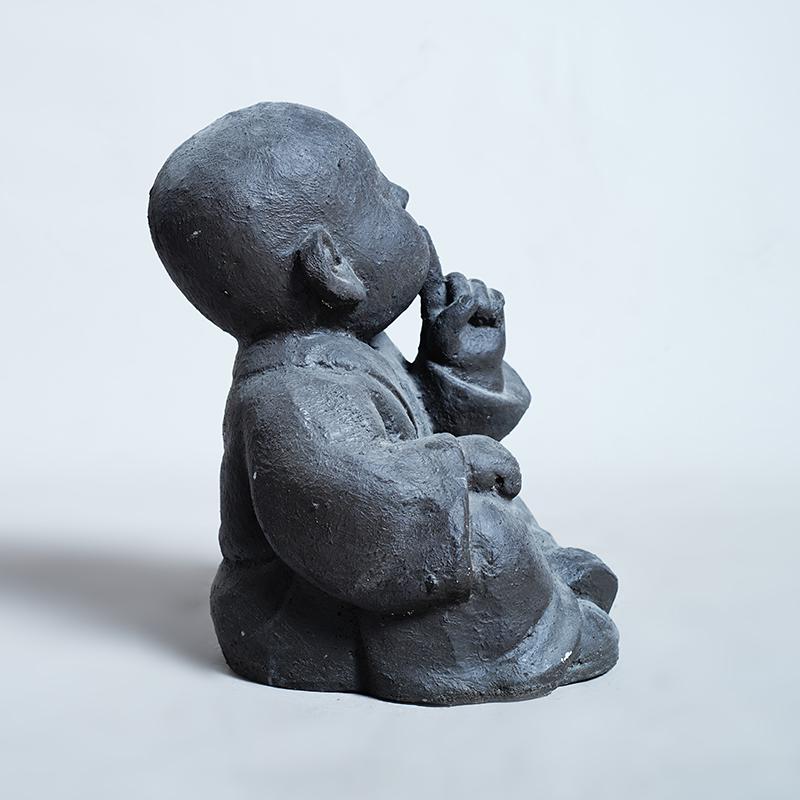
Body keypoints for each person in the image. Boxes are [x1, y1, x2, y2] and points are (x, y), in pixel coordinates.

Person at [149, 102, 618, 704]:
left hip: (369, 568)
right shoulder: (289, 394)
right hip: (305, 616)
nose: (401, 194)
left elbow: (419, 426)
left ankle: (539, 591)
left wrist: (459, 364)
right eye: (378, 194)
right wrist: (457, 466)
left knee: (487, 510)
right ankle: (537, 637)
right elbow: (353, 511)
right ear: (332, 268)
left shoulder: (352, 345)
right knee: (481, 528)